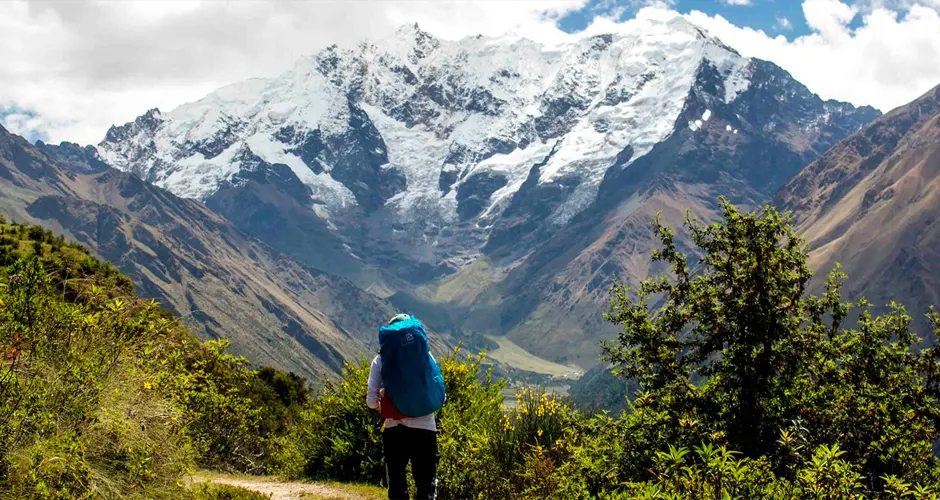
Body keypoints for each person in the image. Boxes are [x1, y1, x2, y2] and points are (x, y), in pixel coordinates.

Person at [367, 313, 443, 500]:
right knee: (426, 484)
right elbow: (441, 393)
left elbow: (371, 400)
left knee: (397, 484)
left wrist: (382, 408)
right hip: (425, 428)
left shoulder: (380, 359)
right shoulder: (424, 355)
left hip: (394, 430)